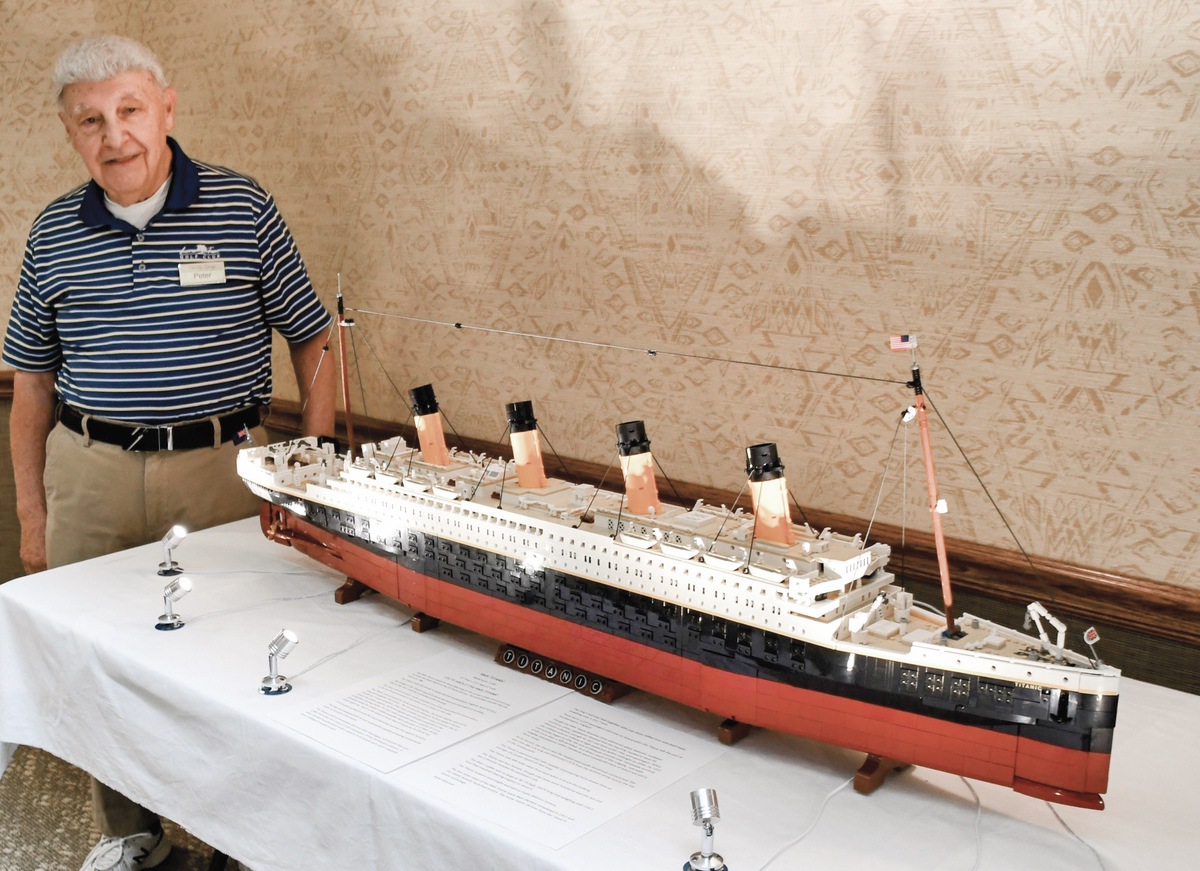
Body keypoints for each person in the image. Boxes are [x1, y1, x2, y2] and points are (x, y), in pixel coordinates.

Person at [2, 35, 336, 871]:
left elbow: (314, 337)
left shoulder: (241, 207)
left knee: (230, 662)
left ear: (167, 108)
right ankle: (130, 833)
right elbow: (31, 387)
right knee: (99, 666)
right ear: (69, 131)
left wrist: (320, 464)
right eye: (91, 121)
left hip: (219, 470)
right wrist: (33, 516)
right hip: (91, 471)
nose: (114, 136)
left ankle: (244, 839)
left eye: (129, 111)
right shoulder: (51, 232)